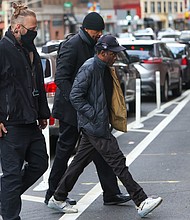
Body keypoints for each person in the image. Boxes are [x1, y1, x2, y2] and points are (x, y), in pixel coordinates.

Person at [47, 34, 163, 218]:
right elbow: (75, 96)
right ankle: (141, 201)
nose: (116, 56)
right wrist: (94, 115)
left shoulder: (103, 67)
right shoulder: (90, 68)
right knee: (118, 162)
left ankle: (58, 197)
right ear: (103, 53)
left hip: (96, 125)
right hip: (95, 126)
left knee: (78, 164)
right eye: (113, 53)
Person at [45, 12, 130, 206]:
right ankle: (52, 193)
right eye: (96, 31)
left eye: (101, 31)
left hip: (89, 109)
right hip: (71, 111)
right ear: (86, 28)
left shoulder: (94, 45)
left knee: (101, 150)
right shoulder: (72, 45)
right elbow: (61, 79)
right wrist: (78, 105)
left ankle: (111, 193)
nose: (99, 34)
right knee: (65, 151)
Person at [0, 2, 50, 220]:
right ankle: (10, 215)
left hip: (30, 121)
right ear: (17, 28)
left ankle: (5, 199)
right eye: (32, 29)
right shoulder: (3, 49)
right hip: (10, 123)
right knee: (11, 175)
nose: (35, 33)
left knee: (40, 163)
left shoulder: (30, 50)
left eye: (36, 28)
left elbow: (37, 83)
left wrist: (42, 113)